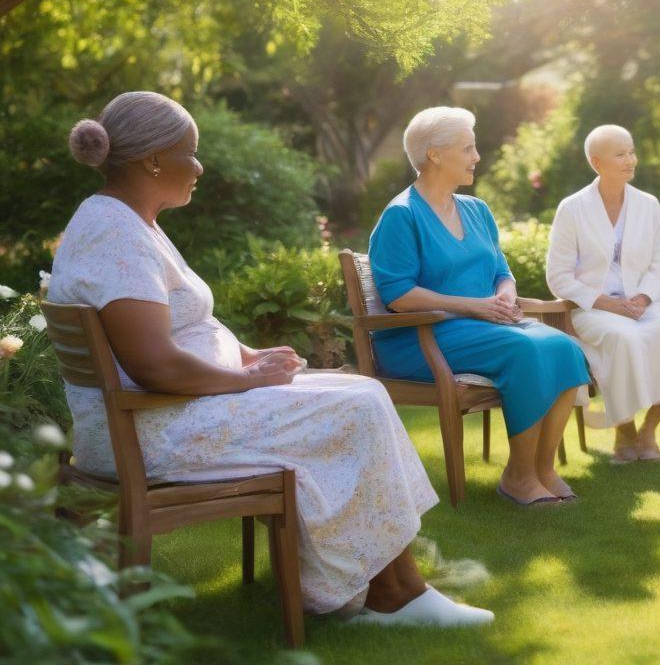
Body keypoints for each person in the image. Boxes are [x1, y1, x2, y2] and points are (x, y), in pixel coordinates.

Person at [50, 91, 491, 627]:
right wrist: (246, 379)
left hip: (167, 413)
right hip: (155, 428)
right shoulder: (114, 233)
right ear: (153, 159)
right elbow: (155, 366)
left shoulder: (124, 222)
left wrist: (248, 356)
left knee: (359, 391)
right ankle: (393, 593)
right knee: (357, 408)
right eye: (192, 152)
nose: (200, 165)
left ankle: (380, 585)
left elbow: (183, 326)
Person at [368, 106, 590, 505]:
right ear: (434, 154)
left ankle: (542, 470)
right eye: (468, 148)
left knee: (567, 348)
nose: (477, 157)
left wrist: (505, 293)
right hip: (420, 338)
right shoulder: (401, 215)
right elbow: (398, 296)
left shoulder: (476, 210)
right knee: (524, 350)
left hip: (480, 327)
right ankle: (519, 478)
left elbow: (501, 271)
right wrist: (474, 306)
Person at [546, 125, 660, 463]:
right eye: (621, 154)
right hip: (593, 310)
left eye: (631, 151)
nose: (631, 160)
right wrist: (606, 303)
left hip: (641, 306)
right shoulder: (572, 208)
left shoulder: (648, 204)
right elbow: (557, 276)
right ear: (596, 162)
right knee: (623, 341)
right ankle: (625, 432)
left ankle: (647, 433)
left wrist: (643, 298)